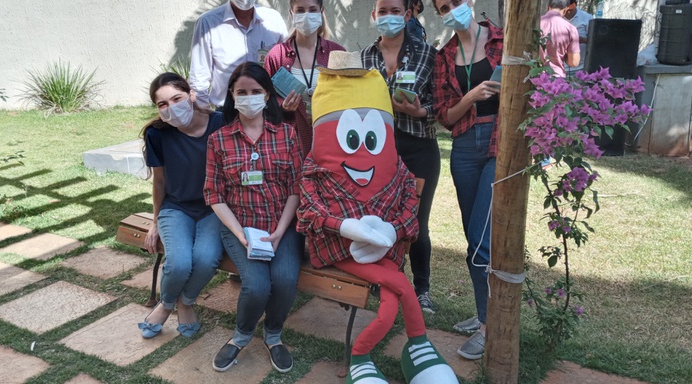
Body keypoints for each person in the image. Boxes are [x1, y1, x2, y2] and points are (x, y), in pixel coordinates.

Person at [297, 51, 458, 384]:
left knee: (388, 305)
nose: (361, 151)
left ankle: (373, 356)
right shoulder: (314, 168)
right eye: (351, 140)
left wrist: (389, 228)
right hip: (336, 247)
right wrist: (346, 226)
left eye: (371, 139)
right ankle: (413, 348)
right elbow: (309, 211)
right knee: (399, 284)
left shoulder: (398, 169)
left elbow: (409, 209)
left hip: (382, 247)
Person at [204, 62, 303, 374]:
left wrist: (279, 231)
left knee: (286, 280)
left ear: (268, 95)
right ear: (232, 97)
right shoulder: (218, 140)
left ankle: (273, 335)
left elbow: (296, 188)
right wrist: (241, 235)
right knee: (256, 286)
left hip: (282, 225)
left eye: (256, 91)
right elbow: (214, 195)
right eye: (241, 92)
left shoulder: (287, 134)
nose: (249, 98)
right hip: (240, 226)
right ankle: (241, 336)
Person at [431, 0, 503, 360]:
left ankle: (492, 327)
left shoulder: (502, 40)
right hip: (463, 146)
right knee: (471, 239)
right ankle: (481, 313)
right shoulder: (444, 57)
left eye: (456, 1)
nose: (451, 10)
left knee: (482, 239)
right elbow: (445, 115)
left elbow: (527, 89)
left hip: (499, 145)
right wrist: (472, 97)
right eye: (443, 7)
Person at [360, 0, 440, 314]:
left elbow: (443, 104)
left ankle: (422, 288)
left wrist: (420, 111)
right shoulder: (365, 57)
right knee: (382, 219)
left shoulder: (427, 53)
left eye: (396, 11)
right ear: (373, 15)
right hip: (381, 152)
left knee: (416, 222)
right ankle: (388, 281)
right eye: (383, 11)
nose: (389, 17)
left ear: (407, 15)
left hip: (419, 147)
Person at [138, 72, 225, 339]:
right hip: (176, 207)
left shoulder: (220, 123)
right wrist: (155, 222)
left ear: (191, 95)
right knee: (178, 263)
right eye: (162, 104)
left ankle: (185, 301)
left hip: (215, 207)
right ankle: (167, 305)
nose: (170, 107)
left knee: (206, 259)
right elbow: (160, 182)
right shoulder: (157, 133)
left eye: (176, 98)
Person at [189, 0, 288, 109]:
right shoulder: (208, 23)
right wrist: (204, 116)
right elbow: (199, 77)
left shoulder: (273, 20)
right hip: (227, 112)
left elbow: (286, 65)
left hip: (267, 109)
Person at [263, 0, 346, 157]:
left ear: (321, 12)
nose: (306, 15)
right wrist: (283, 107)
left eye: (312, 10)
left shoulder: (337, 52)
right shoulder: (277, 55)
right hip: (290, 144)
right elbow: (264, 103)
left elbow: (349, 96)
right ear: (291, 14)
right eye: (300, 10)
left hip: (333, 141)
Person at [540, 0, 580, 77]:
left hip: (533, 77)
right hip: (556, 83)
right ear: (565, 10)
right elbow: (574, 62)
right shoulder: (571, 29)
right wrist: (563, 53)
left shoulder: (534, 24)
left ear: (548, 7)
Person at [564, 0, 593, 74]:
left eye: (571, 9)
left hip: (581, 68)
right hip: (560, 68)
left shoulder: (587, 18)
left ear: (575, 4)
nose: (568, 12)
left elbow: (594, 42)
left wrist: (582, 40)